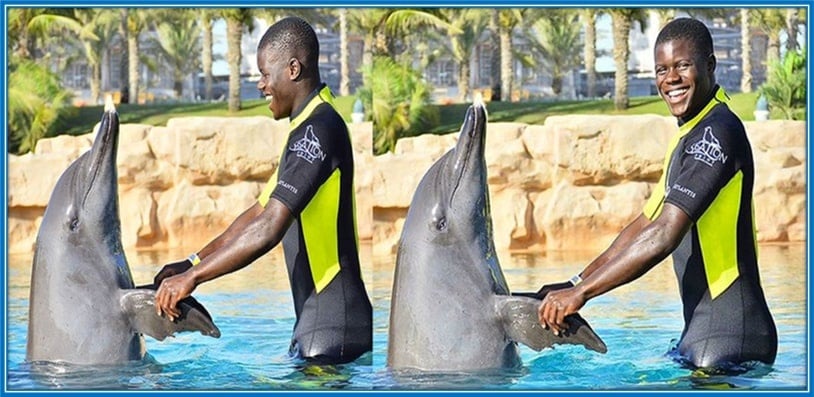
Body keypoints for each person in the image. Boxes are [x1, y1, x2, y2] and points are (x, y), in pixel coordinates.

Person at [536, 18, 777, 371]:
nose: (671, 79)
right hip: (703, 334)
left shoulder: (718, 133)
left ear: (709, 65)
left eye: (682, 66)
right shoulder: (689, 135)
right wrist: (576, 281)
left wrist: (582, 295)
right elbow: (644, 224)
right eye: (662, 69)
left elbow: (665, 234)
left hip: (731, 339)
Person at [153, 16, 372, 365]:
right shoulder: (306, 126)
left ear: (293, 69)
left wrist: (193, 279)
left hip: (333, 329)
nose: (260, 85)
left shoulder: (319, 129)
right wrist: (191, 262)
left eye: (265, 74)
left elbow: (269, 229)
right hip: (319, 326)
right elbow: (257, 214)